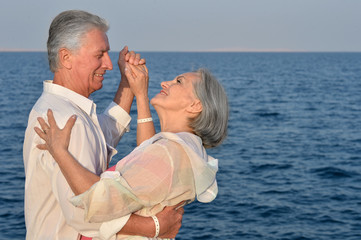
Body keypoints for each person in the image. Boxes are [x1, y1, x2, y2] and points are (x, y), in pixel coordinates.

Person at [23, 10, 183, 240]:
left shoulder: (62, 109)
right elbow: (85, 211)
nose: (108, 64)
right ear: (66, 57)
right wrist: (154, 227)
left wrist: (127, 83)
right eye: (100, 54)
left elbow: (102, 135)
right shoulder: (63, 120)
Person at [34, 63, 229, 239]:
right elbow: (146, 157)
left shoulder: (170, 153)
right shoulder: (182, 149)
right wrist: (141, 95)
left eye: (179, 81)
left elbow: (98, 201)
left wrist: (59, 150)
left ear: (195, 105)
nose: (164, 82)